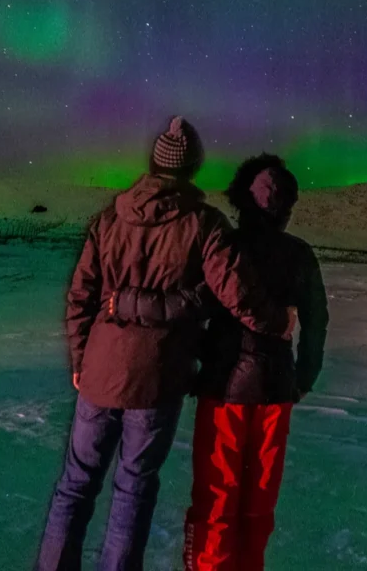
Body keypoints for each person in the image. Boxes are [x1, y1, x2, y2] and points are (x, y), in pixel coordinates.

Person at [36, 118, 292, 571]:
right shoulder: (204, 225)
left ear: (153, 162)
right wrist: (277, 323)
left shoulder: (109, 219)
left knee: (76, 482)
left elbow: (81, 296)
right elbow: (236, 290)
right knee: (133, 486)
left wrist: (80, 357)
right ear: (192, 168)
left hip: (99, 373)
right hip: (157, 378)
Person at [111, 154, 330, 571]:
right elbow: (317, 321)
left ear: (242, 198)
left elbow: (192, 306)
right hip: (275, 391)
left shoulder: (224, 246)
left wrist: (178, 352)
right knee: (258, 503)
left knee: (216, 497)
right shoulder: (299, 254)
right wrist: (304, 377)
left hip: (223, 388)